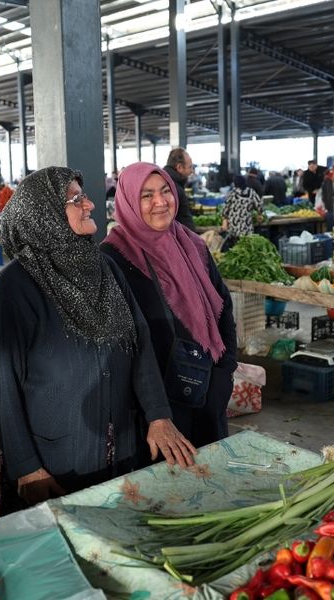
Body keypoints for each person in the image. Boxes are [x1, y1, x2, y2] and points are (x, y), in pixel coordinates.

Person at [0, 167, 196, 515]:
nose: (91, 204)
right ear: (45, 213)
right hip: (58, 458)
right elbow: (3, 385)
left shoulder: (103, 268)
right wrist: (26, 466)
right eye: (76, 198)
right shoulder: (15, 288)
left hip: (122, 446)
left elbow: (139, 342)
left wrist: (158, 415)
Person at [102, 162, 238, 449]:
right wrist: (155, 411)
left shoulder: (191, 244)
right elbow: (122, 345)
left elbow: (223, 306)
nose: (160, 202)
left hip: (206, 388)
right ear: (127, 201)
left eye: (166, 191)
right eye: (146, 195)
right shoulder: (112, 258)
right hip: (153, 407)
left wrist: (225, 371)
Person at [221, 174, 264, 248]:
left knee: (236, 248)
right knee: (246, 248)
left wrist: (224, 220)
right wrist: (259, 214)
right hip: (247, 227)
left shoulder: (233, 193)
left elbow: (225, 209)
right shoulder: (251, 192)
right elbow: (259, 205)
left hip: (234, 227)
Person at [163, 148, 195, 229]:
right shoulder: (173, 187)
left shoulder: (170, 181)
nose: (192, 171)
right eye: (190, 167)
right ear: (180, 167)